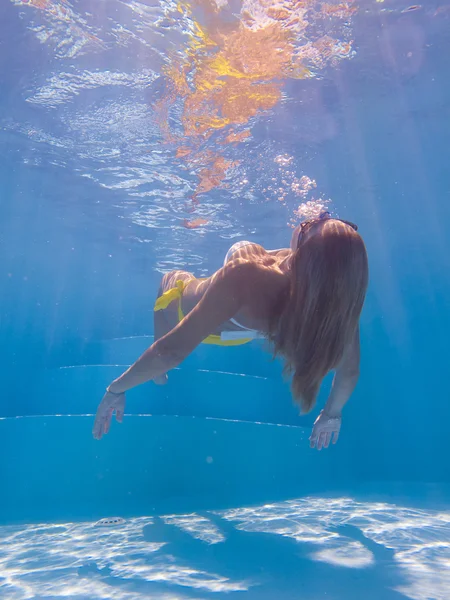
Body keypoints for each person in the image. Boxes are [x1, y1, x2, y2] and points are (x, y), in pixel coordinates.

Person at [93, 212, 369, 450]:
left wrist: (116, 389)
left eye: (311, 223)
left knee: (169, 281)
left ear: (307, 252)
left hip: (187, 312)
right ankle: (158, 374)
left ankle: (158, 377)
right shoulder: (337, 300)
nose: (314, 217)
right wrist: (332, 414)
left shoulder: (246, 276)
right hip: (240, 330)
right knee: (247, 251)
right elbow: (350, 372)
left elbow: (171, 351)